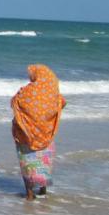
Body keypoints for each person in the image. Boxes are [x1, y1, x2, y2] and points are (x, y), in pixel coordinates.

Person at [11, 64, 67, 200]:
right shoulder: (54, 95)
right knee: (43, 159)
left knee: (27, 160)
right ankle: (43, 190)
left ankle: (30, 194)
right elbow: (62, 104)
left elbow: (14, 102)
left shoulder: (26, 91)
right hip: (46, 133)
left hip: (26, 133)